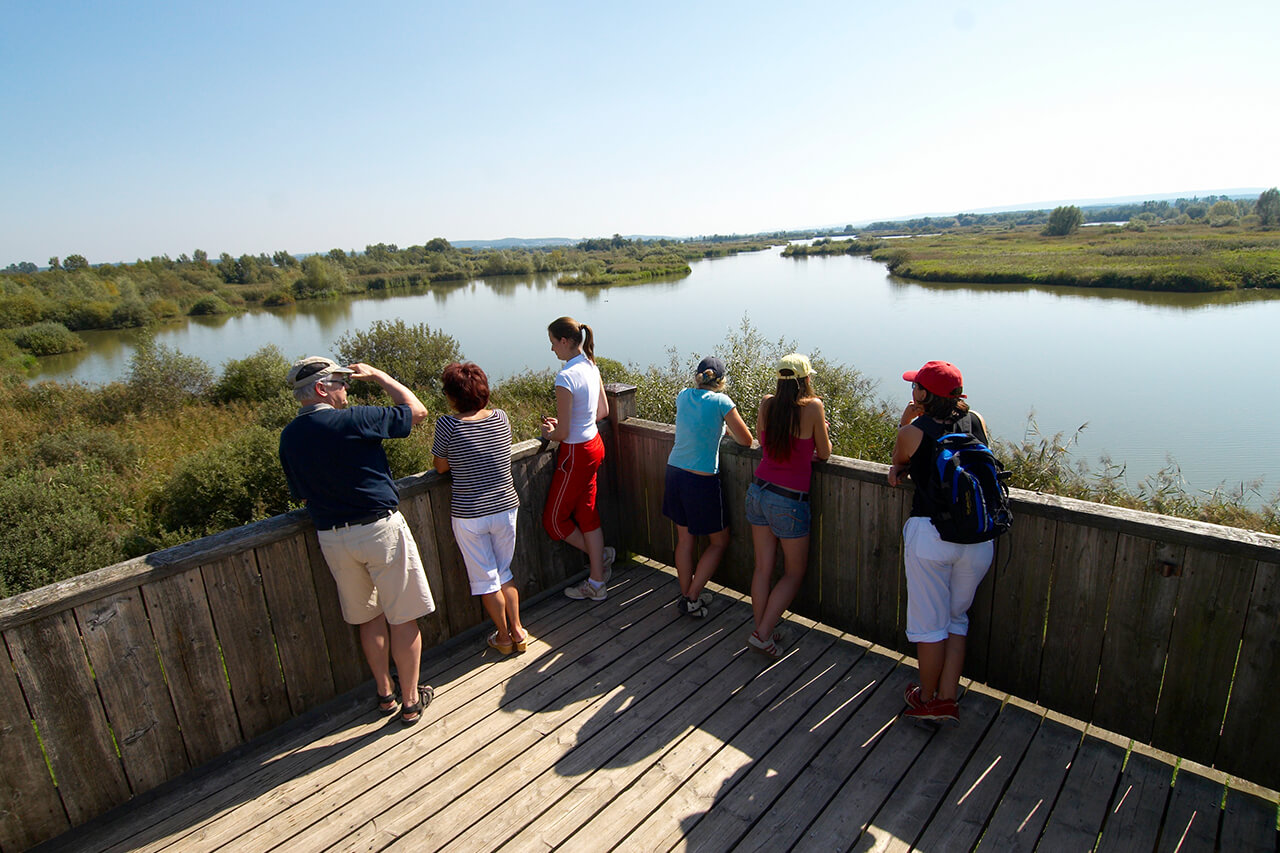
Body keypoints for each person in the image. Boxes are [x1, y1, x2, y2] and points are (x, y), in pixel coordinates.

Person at [278, 356, 435, 726]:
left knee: (368, 617)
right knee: (403, 617)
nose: (346, 387)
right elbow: (417, 411)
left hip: (333, 538)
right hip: (379, 530)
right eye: (340, 382)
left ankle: (385, 695)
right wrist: (380, 374)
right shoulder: (354, 419)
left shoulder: (289, 437)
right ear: (321, 388)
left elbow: (302, 494)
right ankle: (411, 701)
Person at [888, 360, 995, 724]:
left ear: (923, 395)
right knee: (956, 619)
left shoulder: (915, 430)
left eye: (915, 387)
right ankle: (948, 698)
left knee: (929, 627)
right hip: (979, 539)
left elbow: (899, 461)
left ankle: (926, 698)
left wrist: (907, 422)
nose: (912, 391)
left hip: (931, 536)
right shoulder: (976, 420)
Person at [431, 362, 528, 656]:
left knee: (486, 579)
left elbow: (439, 467)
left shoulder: (447, 425)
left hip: (470, 514)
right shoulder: (500, 418)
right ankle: (519, 631)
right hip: (505, 507)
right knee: (504, 571)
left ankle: (502, 636)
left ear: (452, 396)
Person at [745, 353, 831, 658]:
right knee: (794, 573)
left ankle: (762, 630)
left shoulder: (767, 403)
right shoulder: (813, 407)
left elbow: (763, 441)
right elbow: (825, 453)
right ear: (805, 379)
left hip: (759, 491)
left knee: (762, 568)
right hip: (789, 500)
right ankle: (763, 633)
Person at [662, 356, 753, 617]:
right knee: (719, 541)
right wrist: (723, 427)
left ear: (697, 376)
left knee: (685, 539)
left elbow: (697, 423)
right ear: (721, 380)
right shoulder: (722, 402)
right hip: (701, 479)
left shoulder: (683, 395)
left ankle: (687, 594)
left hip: (674, 472)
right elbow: (746, 440)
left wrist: (718, 427)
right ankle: (691, 598)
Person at [540, 316, 616, 601]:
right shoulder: (590, 365)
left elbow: (563, 432)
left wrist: (550, 431)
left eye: (552, 343)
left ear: (564, 341)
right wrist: (567, 424)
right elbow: (602, 412)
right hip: (594, 445)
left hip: (575, 453)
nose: (552, 350)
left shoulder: (565, 376)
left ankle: (601, 561)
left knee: (555, 522)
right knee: (587, 514)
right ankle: (597, 580)